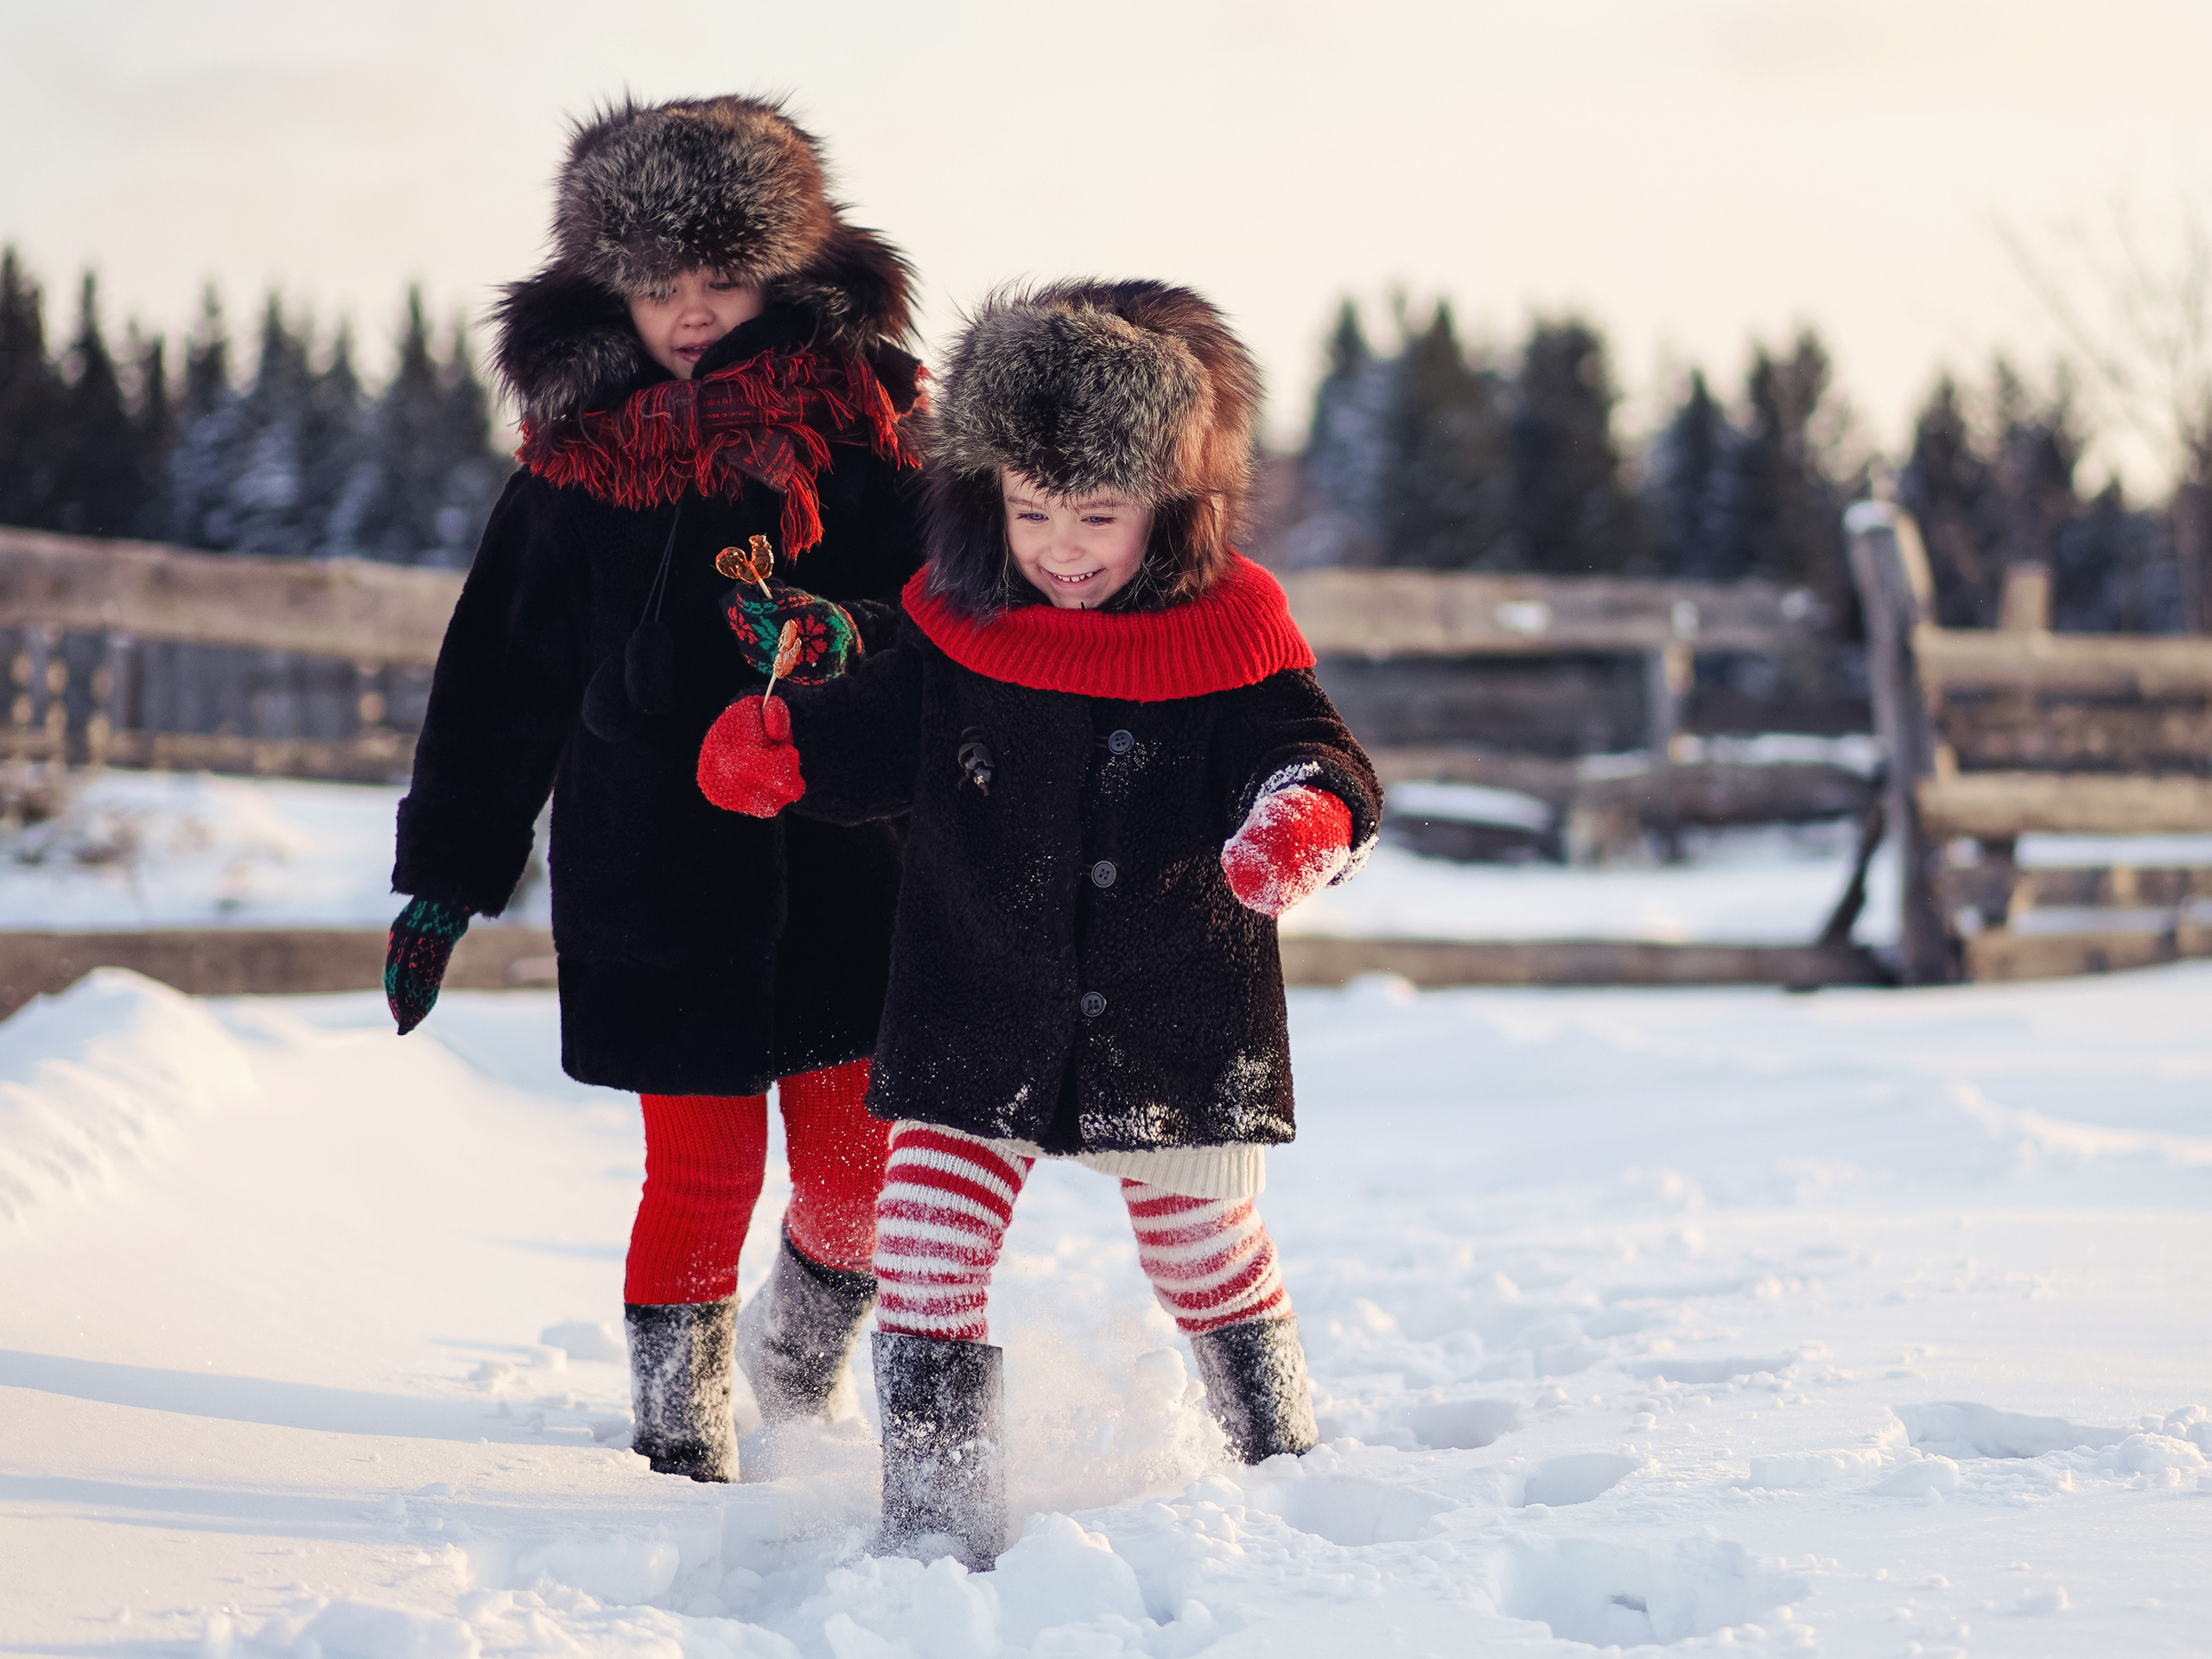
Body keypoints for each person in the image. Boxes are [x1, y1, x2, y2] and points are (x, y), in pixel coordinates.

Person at [696, 279, 1382, 1568]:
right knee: (926, 1243)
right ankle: (937, 1520)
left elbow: (1314, 753)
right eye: (1033, 513)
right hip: (978, 988)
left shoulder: (1233, 629)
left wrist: (1303, 817)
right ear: (987, 499)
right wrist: (789, 752)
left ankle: (1281, 1460)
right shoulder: (964, 623)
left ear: (1172, 507)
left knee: (1200, 1244)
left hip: (1174, 996)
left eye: (1100, 516)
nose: (1064, 548)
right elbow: (879, 734)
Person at [385, 95, 927, 1483]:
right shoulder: (571, 475)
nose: (691, 312)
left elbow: (961, 615)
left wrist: (851, 631)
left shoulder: (874, 436)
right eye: (656, 283)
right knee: (702, 1167)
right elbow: (498, 680)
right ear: (606, 289)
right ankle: (678, 1447)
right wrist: (445, 879)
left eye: (723, 278)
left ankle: (797, 1367)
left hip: (845, 855)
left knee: (858, 1169)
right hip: (651, 874)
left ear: (787, 274)